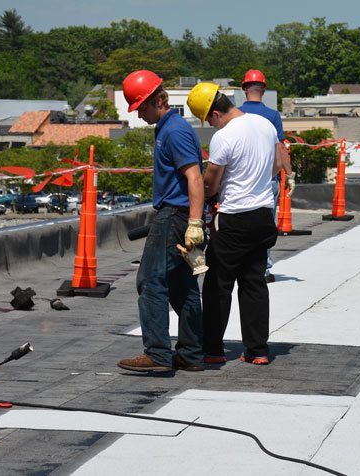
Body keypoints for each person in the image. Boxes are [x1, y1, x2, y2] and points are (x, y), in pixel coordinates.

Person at [117, 70, 205, 372]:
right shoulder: (169, 127)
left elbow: (194, 177)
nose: (140, 114)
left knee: (150, 280)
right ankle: (191, 353)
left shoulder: (174, 131)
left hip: (174, 216)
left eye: (142, 107)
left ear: (159, 100)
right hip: (179, 215)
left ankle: (157, 353)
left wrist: (194, 222)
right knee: (182, 285)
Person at [187, 82, 279, 365]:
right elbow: (276, 164)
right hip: (263, 215)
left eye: (209, 121)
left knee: (217, 284)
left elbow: (211, 182)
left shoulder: (224, 137)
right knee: (254, 283)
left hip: (234, 218)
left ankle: (213, 349)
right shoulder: (265, 125)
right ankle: (258, 350)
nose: (212, 126)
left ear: (215, 113)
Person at [238, 69, 295, 283]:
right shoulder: (271, 115)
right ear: (263, 89)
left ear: (244, 89)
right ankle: (262, 270)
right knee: (264, 227)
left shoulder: (236, 114)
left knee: (241, 225)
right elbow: (280, 149)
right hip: (267, 181)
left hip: (241, 181)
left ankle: (241, 268)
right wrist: (289, 174)